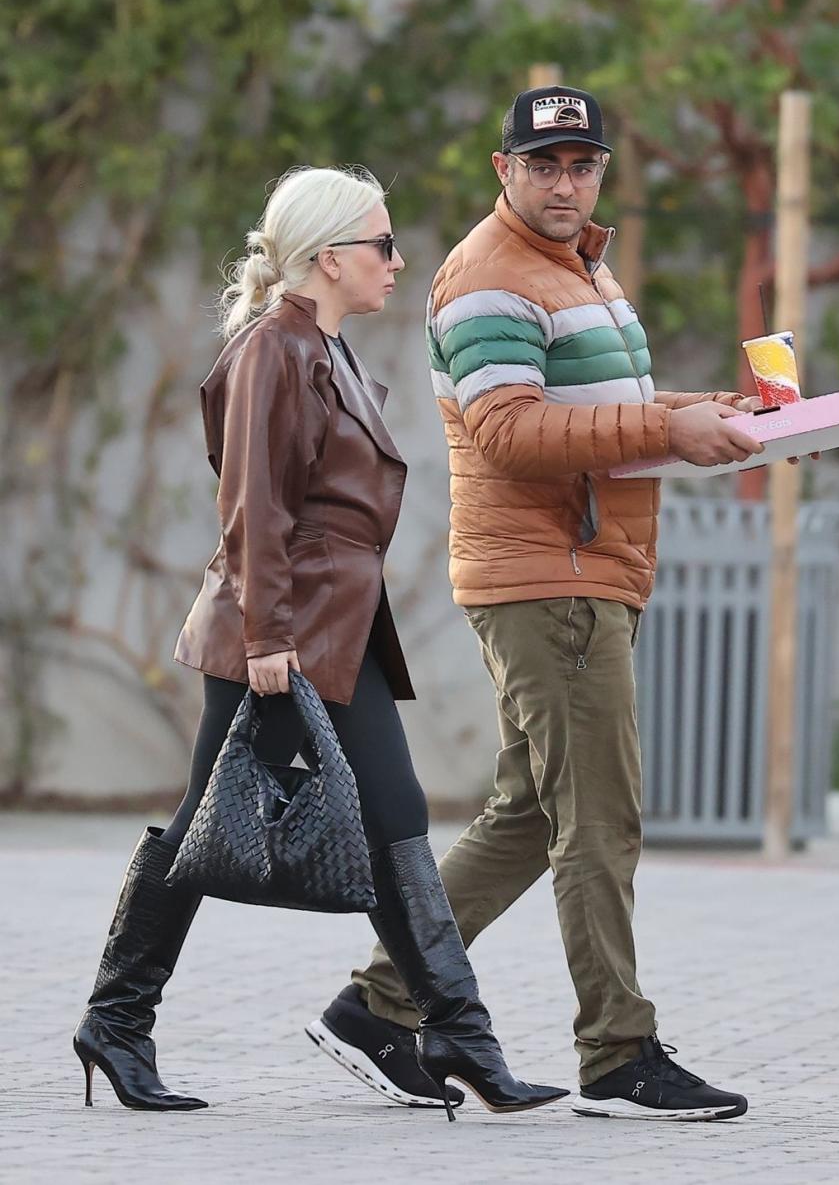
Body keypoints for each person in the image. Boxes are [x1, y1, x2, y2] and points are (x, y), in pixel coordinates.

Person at [307, 88, 766, 1121]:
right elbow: (510, 431)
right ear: (503, 168)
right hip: (549, 578)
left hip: (584, 568)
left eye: (583, 163)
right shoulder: (490, 278)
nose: (566, 182)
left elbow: (595, 410)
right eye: (545, 163)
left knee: (526, 816)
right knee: (599, 819)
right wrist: (668, 428)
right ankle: (618, 1052)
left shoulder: (576, 268)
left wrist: (703, 412)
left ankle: (380, 1002)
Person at [72, 165, 568, 1121]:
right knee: (206, 829)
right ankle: (120, 1019)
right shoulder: (276, 349)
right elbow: (253, 502)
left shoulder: (324, 348)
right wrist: (267, 638)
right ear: (330, 256)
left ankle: (458, 1034)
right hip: (281, 634)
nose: (397, 260)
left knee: (387, 814)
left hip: (331, 631)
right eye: (382, 244)